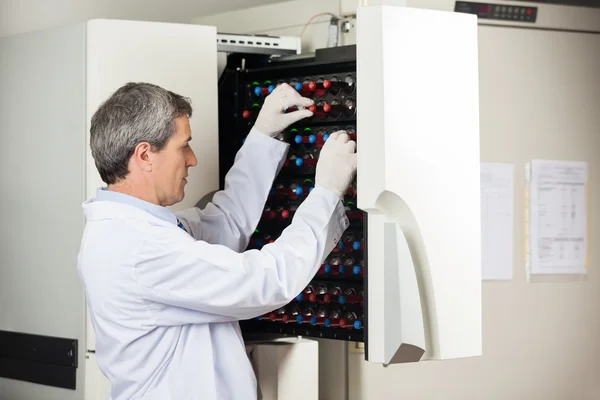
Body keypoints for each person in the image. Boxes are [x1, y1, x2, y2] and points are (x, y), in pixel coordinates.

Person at [77, 81, 357, 400]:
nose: (193, 159)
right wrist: (326, 194)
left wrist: (262, 137)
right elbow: (264, 281)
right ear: (145, 155)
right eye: (184, 146)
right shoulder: (139, 248)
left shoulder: (135, 229)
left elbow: (225, 223)